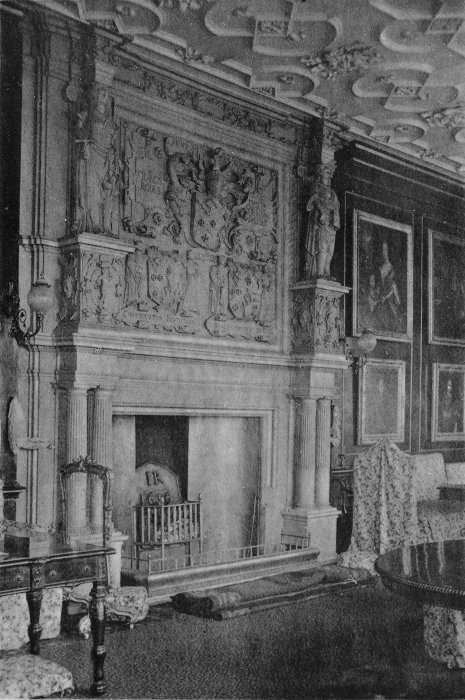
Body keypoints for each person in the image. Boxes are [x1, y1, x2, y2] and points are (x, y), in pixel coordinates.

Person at [305, 164, 340, 279]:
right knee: (322, 247)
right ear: (320, 173)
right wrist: (322, 211)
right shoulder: (316, 187)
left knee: (330, 250)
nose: (329, 174)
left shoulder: (332, 191)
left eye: (330, 172)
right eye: (326, 171)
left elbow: (336, 205)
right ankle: (319, 272)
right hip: (321, 222)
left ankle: (327, 273)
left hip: (331, 223)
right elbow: (312, 204)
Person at [376, 241, 401, 332]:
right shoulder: (379, 268)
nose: (384, 252)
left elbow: (393, 287)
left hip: (390, 300)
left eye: (385, 250)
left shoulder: (392, 268)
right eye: (382, 250)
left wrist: (387, 297)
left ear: (389, 251)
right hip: (381, 299)